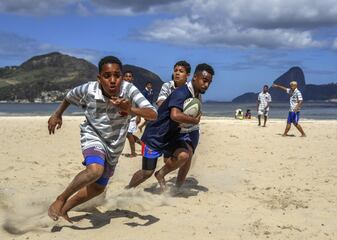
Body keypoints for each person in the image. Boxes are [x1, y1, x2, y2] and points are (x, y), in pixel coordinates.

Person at [47, 56, 157, 222]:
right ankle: (61, 198)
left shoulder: (129, 90)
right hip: (93, 134)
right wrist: (57, 114)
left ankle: (65, 209)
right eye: (107, 76)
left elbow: (153, 114)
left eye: (117, 75)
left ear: (122, 76)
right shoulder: (89, 89)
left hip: (115, 144)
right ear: (99, 78)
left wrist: (130, 109)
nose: (113, 80)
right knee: (95, 170)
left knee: (98, 188)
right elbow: (69, 97)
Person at [127, 63, 215, 191]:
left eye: (209, 82)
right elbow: (175, 115)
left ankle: (161, 174)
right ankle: (127, 190)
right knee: (147, 172)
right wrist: (193, 120)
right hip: (155, 136)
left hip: (171, 136)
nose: (206, 85)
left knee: (185, 155)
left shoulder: (195, 95)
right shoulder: (182, 92)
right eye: (204, 80)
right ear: (195, 77)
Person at [123, 70, 142, 157]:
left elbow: (138, 103)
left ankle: (133, 153)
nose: (128, 78)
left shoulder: (134, 89)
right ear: (123, 78)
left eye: (129, 76)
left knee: (129, 134)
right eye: (126, 76)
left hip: (133, 116)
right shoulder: (121, 88)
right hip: (124, 116)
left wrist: (139, 116)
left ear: (132, 78)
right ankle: (144, 146)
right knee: (128, 135)